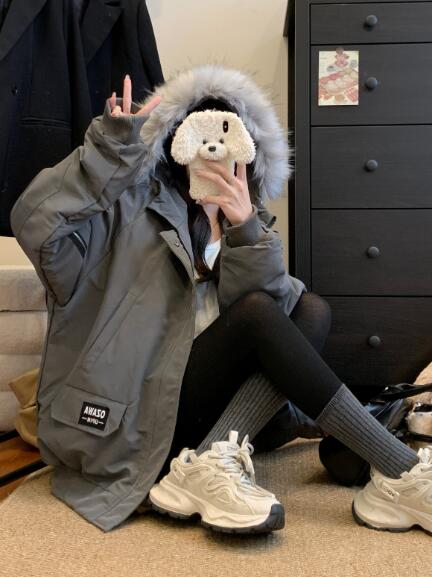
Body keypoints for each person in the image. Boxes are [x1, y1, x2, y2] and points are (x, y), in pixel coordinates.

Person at [11, 66, 432, 536]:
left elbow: (280, 321)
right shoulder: (124, 212)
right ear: (177, 144)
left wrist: (245, 230)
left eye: (229, 137)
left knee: (311, 309)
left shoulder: (249, 223)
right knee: (259, 315)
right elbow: (35, 225)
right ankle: (400, 470)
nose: (214, 150)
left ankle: (212, 460)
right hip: (136, 417)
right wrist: (107, 155)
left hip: (213, 413)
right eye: (202, 135)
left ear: (248, 152)